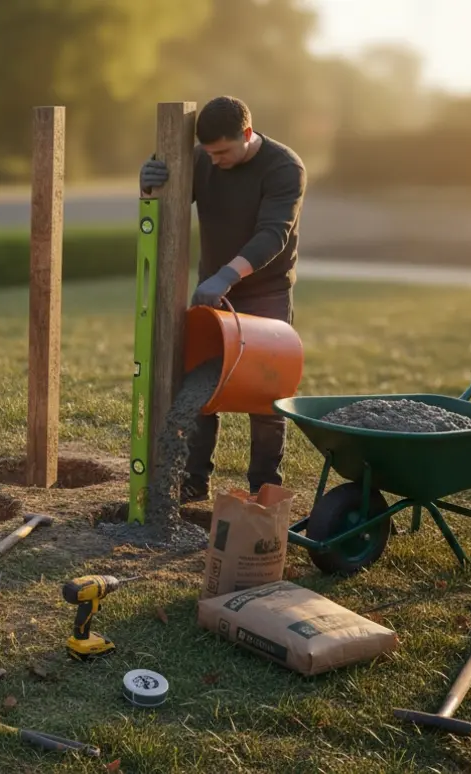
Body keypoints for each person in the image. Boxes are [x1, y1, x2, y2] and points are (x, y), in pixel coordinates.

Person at [139, 95, 306, 502]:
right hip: (213, 286)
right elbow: (165, 206)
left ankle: (265, 488)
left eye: (223, 152)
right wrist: (149, 184)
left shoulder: (285, 167)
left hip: (266, 293)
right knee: (203, 385)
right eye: (208, 153)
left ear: (247, 134)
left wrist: (226, 278)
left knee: (267, 397)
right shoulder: (201, 160)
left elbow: (274, 233)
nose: (214, 161)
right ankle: (194, 481)